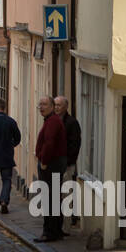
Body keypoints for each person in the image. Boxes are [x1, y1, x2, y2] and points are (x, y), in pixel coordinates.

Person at [35, 95, 68, 241]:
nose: (41, 107)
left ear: (52, 106)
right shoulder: (52, 120)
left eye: (44, 104)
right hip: (55, 163)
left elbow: (49, 143)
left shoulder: (53, 122)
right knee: (54, 198)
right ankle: (56, 230)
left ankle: (49, 232)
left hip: (51, 164)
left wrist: (44, 160)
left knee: (49, 198)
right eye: (40, 104)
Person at [54, 95, 82, 224]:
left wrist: (67, 162)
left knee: (66, 194)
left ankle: (66, 224)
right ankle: (57, 222)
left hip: (66, 165)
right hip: (55, 164)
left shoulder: (71, 123)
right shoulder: (53, 121)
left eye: (59, 105)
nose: (56, 107)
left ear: (66, 107)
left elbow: (75, 145)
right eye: (55, 105)